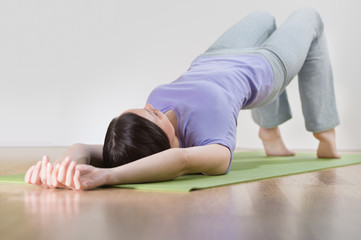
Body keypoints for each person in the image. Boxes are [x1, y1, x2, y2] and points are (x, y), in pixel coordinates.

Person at [25, 8, 341, 191]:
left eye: (145, 110)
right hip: (264, 68)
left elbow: (82, 149)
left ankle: (269, 130)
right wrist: (109, 176)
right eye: (155, 117)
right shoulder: (210, 147)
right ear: (171, 144)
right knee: (309, 17)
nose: (155, 107)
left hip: (216, 55)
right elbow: (180, 163)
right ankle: (324, 130)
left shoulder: (146, 124)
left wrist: (56, 171)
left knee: (264, 16)